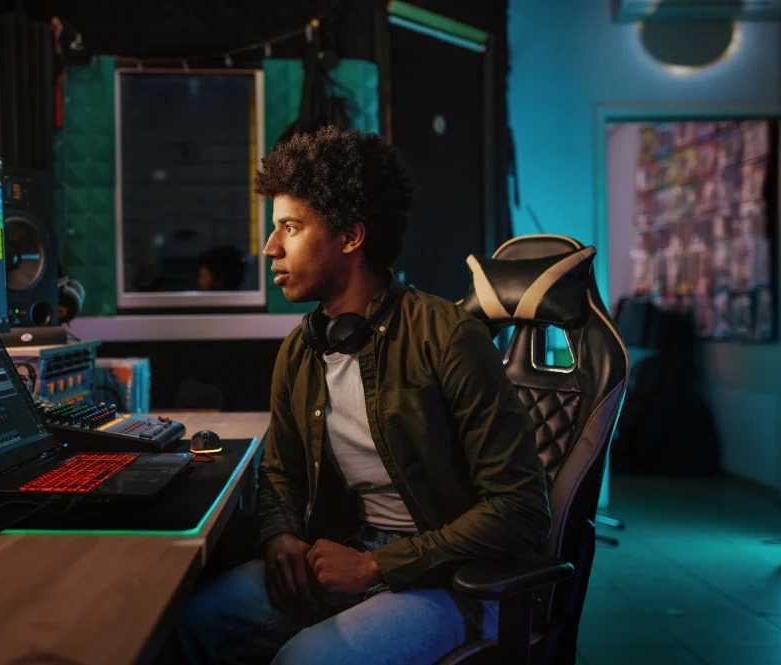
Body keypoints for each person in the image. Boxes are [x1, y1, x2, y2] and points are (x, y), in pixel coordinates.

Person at [168, 126, 551, 664]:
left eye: (291, 227)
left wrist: (378, 567)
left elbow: (522, 510)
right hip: (356, 557)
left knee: (307, 661)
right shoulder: (301, 351)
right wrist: (279, 540)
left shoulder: (448, 338)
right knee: (189, 626)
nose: (270, 247)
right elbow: (281, 473)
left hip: (457, 581)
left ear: (350, 236)